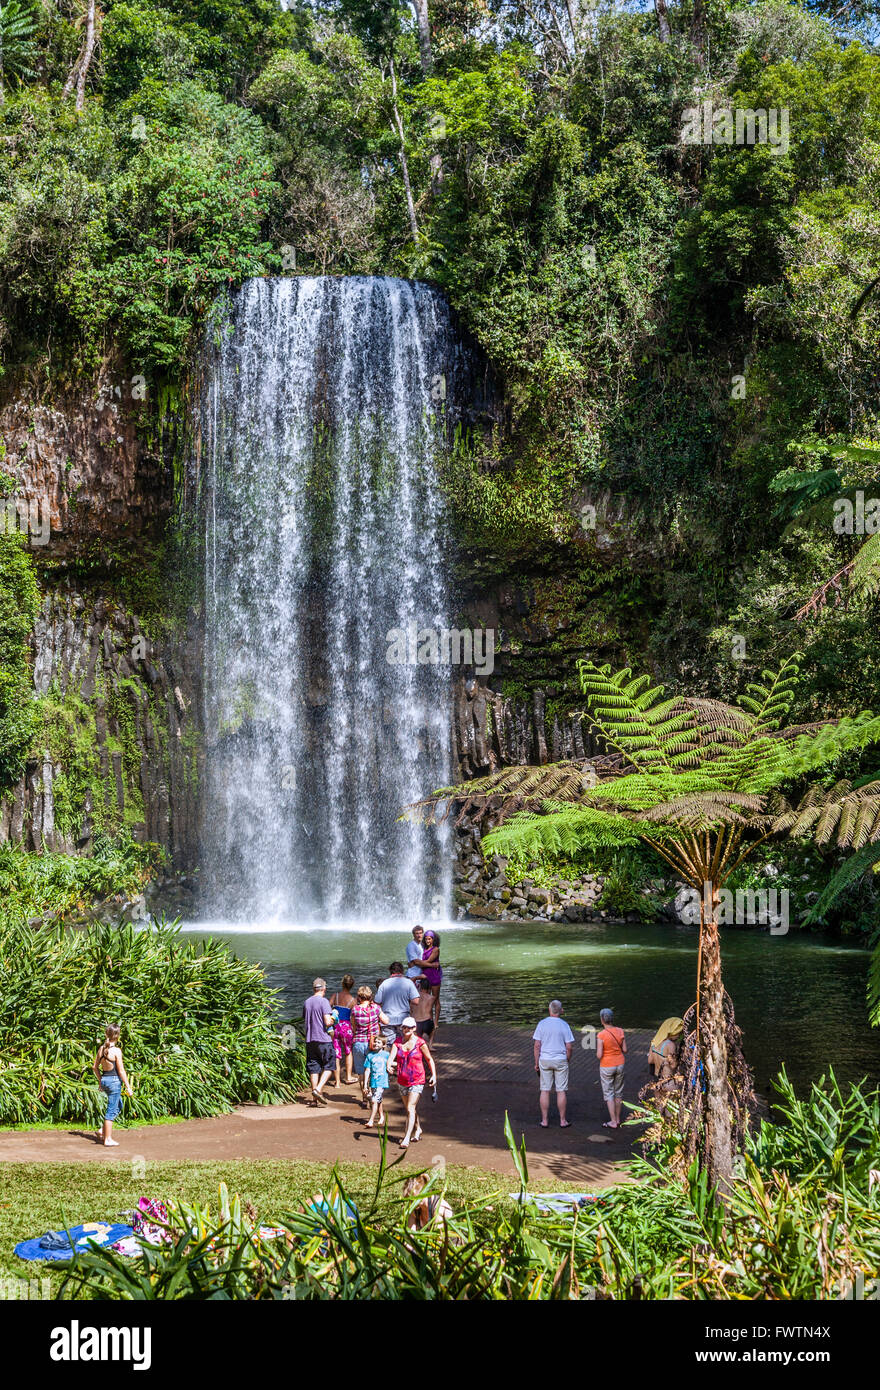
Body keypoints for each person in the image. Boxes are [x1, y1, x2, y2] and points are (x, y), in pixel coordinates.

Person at [389, 1017, 436, 1149]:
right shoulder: (397, 1042)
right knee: (410, 1109)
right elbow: (391, 1057)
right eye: (404, 1027)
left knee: (410, 1107)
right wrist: (388, 1065)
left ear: (414, 1028)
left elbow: (429, 1059)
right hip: (402, 1079)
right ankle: (418, 1128)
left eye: (409, 1027)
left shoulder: (420, 1043)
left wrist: (434, 1075)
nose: (406, 1030)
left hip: (417, 1079)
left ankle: (406, 1137)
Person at [532, 1000, 574, 1128]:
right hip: (560, 1059)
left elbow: (537, 1045)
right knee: (561, 1091)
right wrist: (567, 1059)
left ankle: (544, 1121)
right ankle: (562, 1121)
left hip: (544, 1059)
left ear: (549, 1009)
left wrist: (536, 1063)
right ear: (561, 1010)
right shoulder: (564, 1025)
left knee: (545, 1090)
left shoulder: (542, 1024)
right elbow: (569, 1047)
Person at [92, 1024, 133, 1146]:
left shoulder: (101, 1049)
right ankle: (107, 1139)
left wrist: (100, 1081)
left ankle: (102, 1131)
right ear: (118, 1036)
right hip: (114, 1081)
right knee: (111, 1111)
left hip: (105, 1080)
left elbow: (95, 1067)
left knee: (118, 1104)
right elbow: (121, 1071)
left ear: (106, 1034)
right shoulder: (116, 1051)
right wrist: (128, 1086)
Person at [351, 986, 388, 1103]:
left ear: (359, 997)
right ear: (370, 996)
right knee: (372, 1070)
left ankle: (364, 1097)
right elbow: (386, 1021)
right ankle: (373, 1095)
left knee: (361, 1072)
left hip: (358, 1042)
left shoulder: (355, 1010)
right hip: (373, 1043)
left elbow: (354, 1027)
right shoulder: (376, 1008)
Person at [303, 978, 335, 1106]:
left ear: (313, 988)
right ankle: (318, 1089)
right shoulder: (324, 1001)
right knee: (330, 1065)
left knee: (313, 1067)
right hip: (323, 1039)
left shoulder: (307, 1002)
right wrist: (334, 1018)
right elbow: (327, 1022)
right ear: (324, 988)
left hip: (310, 1039)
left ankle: (314, 1100)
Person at [375, 963, 419, 1046]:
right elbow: (416, 1001)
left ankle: (391, 1058)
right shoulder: (408, 982)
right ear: (402, 971)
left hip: (387, 1020)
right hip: (403, 1020)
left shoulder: (384, 984)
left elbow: (377, 1002)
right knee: (404, 1044)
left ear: (390, 971)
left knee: (389, 1046)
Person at [597, 1006, 627, 1129]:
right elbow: (625, 1049)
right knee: (618, 1092)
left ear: (602, 1020)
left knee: (609, 1093)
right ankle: (618, 1119)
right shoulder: (620, 1031)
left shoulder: (601, 1035)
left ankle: (613, 1121)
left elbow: (599, 1055)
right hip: (620, 1063)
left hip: (606, 1065)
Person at [329, 975, 357, 1087]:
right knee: (348, 1052)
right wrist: (354, 1030)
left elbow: (327, 1007)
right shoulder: (353, 1000)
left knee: (336, 1053)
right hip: (346, 1027)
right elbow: (353, 1018)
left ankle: (337, 1082)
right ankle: (348, 1077)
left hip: (336, 1026)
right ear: (352, 985)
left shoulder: (335, 996)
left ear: (342, 983)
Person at [362, 1035, 390, 1128]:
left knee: (374, 1100)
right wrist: (365, 1084)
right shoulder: (370, 1055)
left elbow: (391, 1063)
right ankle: (381, 1116)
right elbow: (367, 1070)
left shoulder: (386, 1055)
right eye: (375, 1041)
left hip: (382, 1082)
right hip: (373, 1082)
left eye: (378, 1042)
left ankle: (371, 1121)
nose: (375, 1043)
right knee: (378, 1100)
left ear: (383, 1045)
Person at [648, 1017, 683, 1083]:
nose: (679, 1035)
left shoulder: (655, 1041)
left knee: (657, 1092)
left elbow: (650, 1061)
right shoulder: (670, 1045)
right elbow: (673, 1066)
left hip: (656, 1077)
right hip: (667, 1079)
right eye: (678, 1033)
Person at [420, 930, 442, 1033]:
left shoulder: (436, 949)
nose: (427, 940)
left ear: (433, 939)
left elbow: (428, 961)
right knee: (427, 1000)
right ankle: (429, 1020)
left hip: (434, 976)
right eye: (426, 938)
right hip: (425, 976)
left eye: (429, 939)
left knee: (435, 999)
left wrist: (417, 962)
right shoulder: (423, 949)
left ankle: (436, 1022)